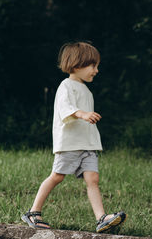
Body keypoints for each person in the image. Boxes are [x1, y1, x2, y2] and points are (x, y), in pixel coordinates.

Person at [21, 42, 126, 233]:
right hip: (70, 144)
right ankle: (33, 212)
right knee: (57, 176)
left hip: (87, 145)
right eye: (93, 66)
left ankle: (101, 218)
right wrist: (82, 114)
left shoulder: (86, 90)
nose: (96, 70)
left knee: (93, 179)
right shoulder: (66, 86)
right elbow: (65, 108)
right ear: (77, 65)